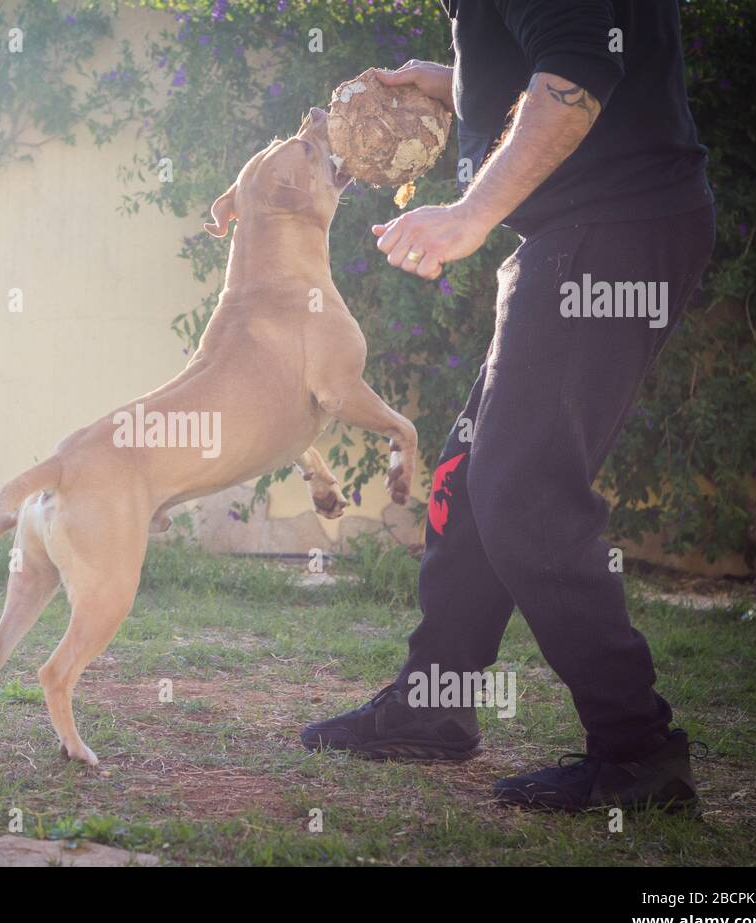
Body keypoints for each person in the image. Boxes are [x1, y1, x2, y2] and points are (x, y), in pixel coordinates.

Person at [302, 0, 716, 812]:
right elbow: (581, 58)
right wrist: (461, 85)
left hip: (609, 232)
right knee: (468, 477)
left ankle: (638, 752)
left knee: (524, 493)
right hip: (589, 232)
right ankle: (433, 702)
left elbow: (575, 78)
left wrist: (470, 214)